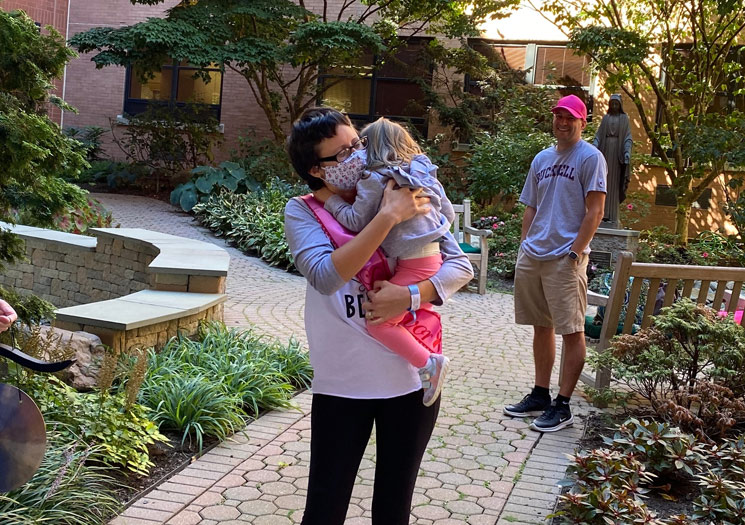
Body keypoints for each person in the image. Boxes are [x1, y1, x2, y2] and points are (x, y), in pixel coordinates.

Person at [284, 107, 473, 525]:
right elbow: (325, 275)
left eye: (357, 143)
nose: (357, 154)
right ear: (318, 169)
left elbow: (460, 266)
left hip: (412, 380)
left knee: (393, 511)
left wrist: (408, 297)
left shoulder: (404, 190)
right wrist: (388, 217)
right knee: (324, 511)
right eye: (343, 152)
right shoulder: (306, 210)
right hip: (343, 387)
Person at [319, 117, 454, 407]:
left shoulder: (374, 179)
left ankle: (429, 363)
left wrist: (329, 201)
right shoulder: (423, 172)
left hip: (414, 264)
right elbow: (448, 216)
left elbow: (356, 221)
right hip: (433, 258)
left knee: (379, 324)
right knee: (399, 313)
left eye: (358, 146)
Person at [503, 94, 607, 433]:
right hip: (534, 254)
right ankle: (540, 393)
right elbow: (530, 206)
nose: (563, 122)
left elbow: (595, 211)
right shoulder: (542, 159)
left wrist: (576, 252)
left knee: (572, 329)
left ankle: (563, 405)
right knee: (541, 325)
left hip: (566, 257)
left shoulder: (591, 158)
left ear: (583, 121)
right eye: (558, 116)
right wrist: (523, 246)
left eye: (570, 118)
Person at [592, 94, 632, 227]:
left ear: (620, 105)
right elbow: (598, 136)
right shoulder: (606, 118)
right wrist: (594, 146)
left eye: (616, 104)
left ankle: (613, 216)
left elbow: (627, 138)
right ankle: (601, 216)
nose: (614, 106)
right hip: (605, 153)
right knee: (602, 183)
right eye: (612, 104)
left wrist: (627, 152)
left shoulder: (624, 118)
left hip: (616, 156)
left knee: (613, 185)